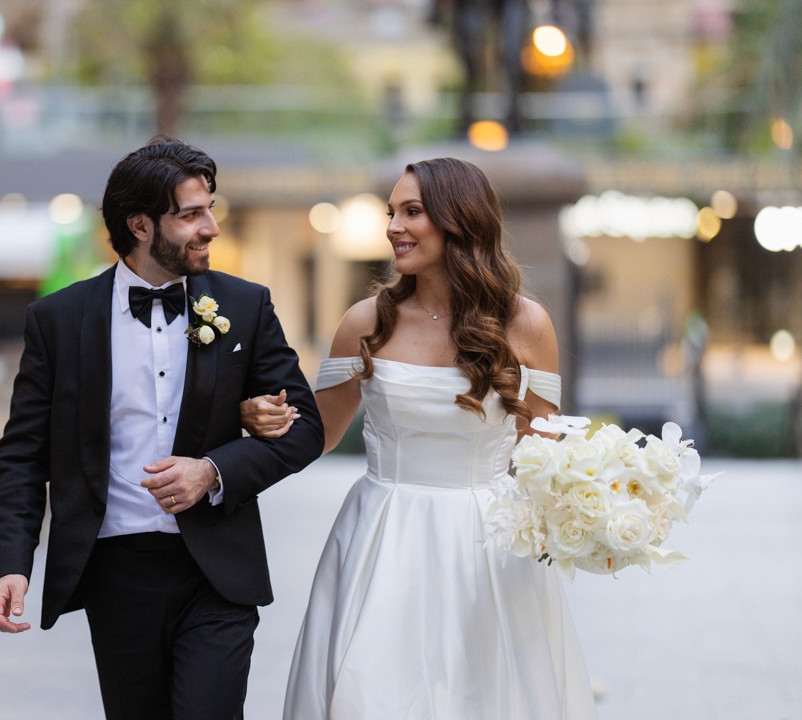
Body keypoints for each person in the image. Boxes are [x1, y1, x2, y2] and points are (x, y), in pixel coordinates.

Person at [0, 136, 324, 720]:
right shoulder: (58, 322)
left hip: (218, 571)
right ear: (140, 226)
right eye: (191, 215)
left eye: (210, 208)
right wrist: (13, 562)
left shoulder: (245, 307)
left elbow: (305, 429)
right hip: (117, 572)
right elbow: (23, 454)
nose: (211, 227)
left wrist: (213, 470)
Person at [244, 157, 596, 719]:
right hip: (383, 534)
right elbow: (320, 432)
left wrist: (590, 515)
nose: (393, 227)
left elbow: (543, 455)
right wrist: (256, 416)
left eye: (412, 212)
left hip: (487, 545)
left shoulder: (526, 323)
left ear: (460, 221)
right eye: (391, 212)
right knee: (370, 694)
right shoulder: (365, 321)